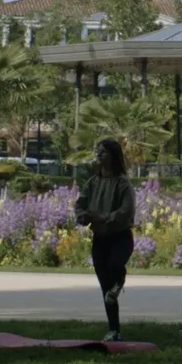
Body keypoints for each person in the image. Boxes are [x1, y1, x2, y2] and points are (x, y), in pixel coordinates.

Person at [75, 139, 136, 342]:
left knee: (114, 265)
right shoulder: (93, 182)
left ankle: (120, 280)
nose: (99, 156)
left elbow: (126, 211)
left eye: (103, 152)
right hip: (99, 239)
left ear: (113, 156)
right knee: (106, 289)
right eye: (97, 152)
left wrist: (104, 218)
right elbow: (80, 204)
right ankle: (114, 330)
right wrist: (82, 215)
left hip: (119, 237)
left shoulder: (122, 183)